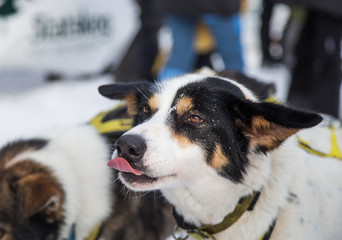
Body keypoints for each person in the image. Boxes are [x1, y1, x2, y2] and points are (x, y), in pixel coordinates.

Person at [275, 0, 342, 118]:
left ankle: (324, 121)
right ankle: (295, 116)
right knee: (303, 58)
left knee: (324, 63)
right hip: (313, 8)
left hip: (330, 11)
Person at [158, 0, 244, 81]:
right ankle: (239, 88)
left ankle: (164, 90)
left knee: (180, 55)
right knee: (232, 57)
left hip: (177, 4)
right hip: (218, 5)